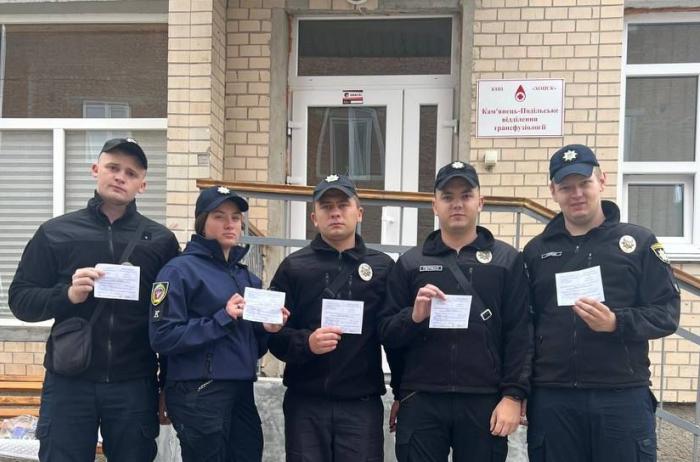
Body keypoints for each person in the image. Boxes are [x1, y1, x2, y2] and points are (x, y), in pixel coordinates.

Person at [8, 138, 180, 462]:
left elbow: (170, 317)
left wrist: (166, 384)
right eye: (113, 167)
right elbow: (20, 300)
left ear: (142, 185)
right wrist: (67, 295)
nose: (120, 177)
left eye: (131, 173)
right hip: (69, 381)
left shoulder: (161, 242)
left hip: (134, 383)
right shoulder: (56, 232)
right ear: (95, 169)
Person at [523, 144, 681, 462]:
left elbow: (667, 312)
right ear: (553, 191)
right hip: (554, 399)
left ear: (602, 181)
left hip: (621, 396)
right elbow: (523, 326)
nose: (576, 194)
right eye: (566, 187)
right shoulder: (536, 252)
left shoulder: (638, 243)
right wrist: (520, 389)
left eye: (584, 183)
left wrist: (616, 322)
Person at [377, 161, 531, 462]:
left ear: (480, 202)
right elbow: (387, 334)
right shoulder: (410, 263)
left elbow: (520, 333)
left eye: (466, 195)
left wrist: (513, 395)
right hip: (421, 398)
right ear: (434, 205)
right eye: (447, 197)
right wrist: (413, 318)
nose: (457, 204)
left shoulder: (506, 261)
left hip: (484, 400)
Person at [149, 186, 289, 462]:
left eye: (235, 217)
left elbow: (253, 348)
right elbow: (162, 336)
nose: (229, 224)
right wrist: (221, 319)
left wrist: (267, 330)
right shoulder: (177, 271)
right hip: (198, 391)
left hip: (241, 391)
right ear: (202, 222)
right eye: (219, 216)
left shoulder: (247, 277)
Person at [267, 174, 395, 462]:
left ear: (359, 213)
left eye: (343, 205)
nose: (335, 212)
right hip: (306, 404)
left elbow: (393, 334)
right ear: (314, 218)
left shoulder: (383, 267)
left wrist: (402, 391)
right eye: (326, 207)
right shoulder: (293, 267)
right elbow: (273, 336)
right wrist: (306, 343)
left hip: (361, 406)